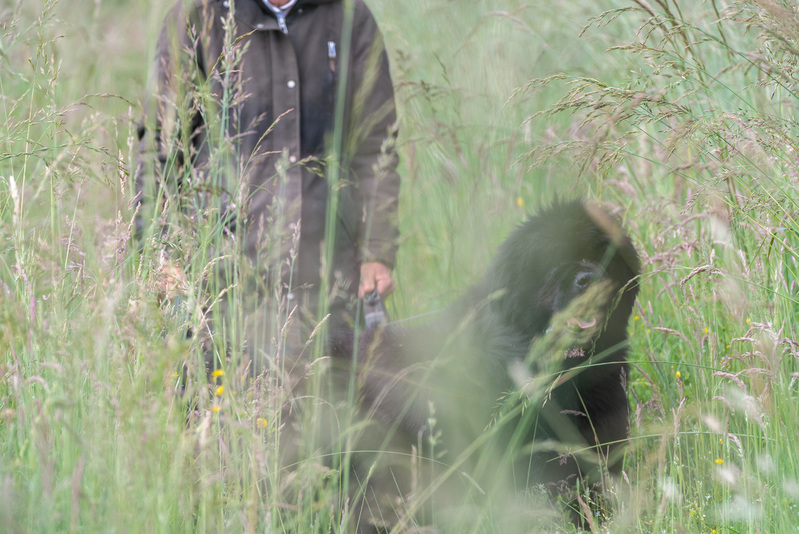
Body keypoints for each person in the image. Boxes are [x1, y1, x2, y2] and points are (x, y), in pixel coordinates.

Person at [134, 0, 400, 369]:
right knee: (222, 398)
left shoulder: (349, 16)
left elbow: (377, 146)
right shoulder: (198, 14)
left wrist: (377, 251)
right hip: (222, 289)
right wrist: (160, 254)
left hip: (331, 284)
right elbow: (160, 148)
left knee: (331, 401)